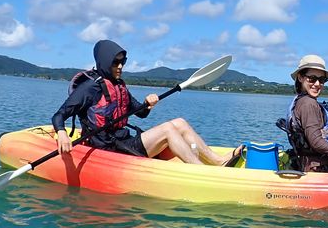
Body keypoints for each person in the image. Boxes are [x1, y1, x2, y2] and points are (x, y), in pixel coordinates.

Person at [52, 39, 237, 166]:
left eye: (122, 62)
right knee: (167, 129)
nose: (120, 66)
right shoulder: (89, 88)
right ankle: (201, 171)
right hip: (110, 149)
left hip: (124, 141)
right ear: (104, 62)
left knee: (179, 122)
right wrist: (61, 133)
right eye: (115, 62)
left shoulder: (119, 86)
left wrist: (148, 103)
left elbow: (140, 112)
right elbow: (59, 115)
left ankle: (217, 161)